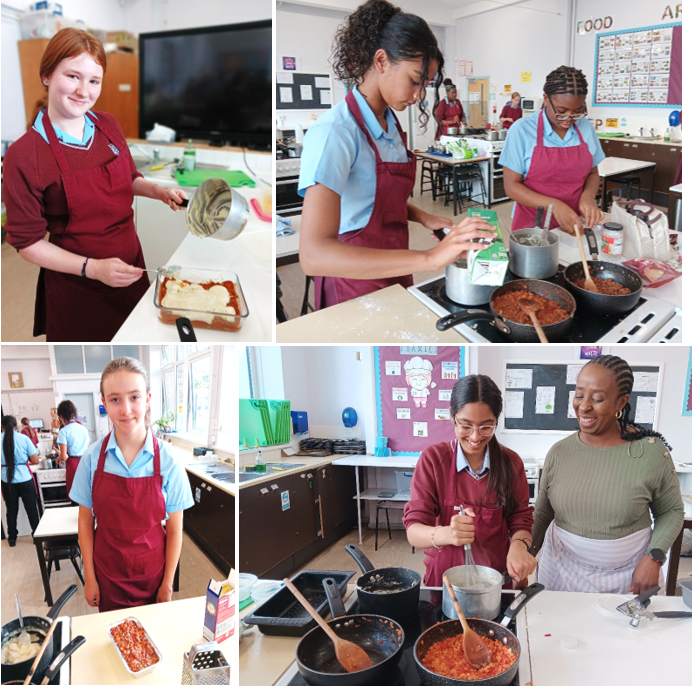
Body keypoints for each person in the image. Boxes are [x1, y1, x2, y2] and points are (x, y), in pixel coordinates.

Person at [298, 0, 494, 310]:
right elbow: (313, 256)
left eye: (425, 86)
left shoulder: (389, 123)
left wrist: (424, 217)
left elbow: (377, 199)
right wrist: (430, 258)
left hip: (396, 263)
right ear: (381, 61)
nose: (418, 96)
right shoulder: (335, 132)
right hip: (352, 278)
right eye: (415, 81)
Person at [3, 28, 187, 342]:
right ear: (47, 75)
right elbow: (28, 243)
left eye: (94, 81)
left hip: (130, 263)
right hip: (78, 285)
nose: (83, 92)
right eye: (73, 76)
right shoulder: (24, 155)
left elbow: (129, 178)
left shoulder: (108, 125)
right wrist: (94, 269)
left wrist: (158, 191)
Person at [531, 355, 684, 594]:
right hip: (561, 569)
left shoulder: (650, 452)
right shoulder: (560, 453)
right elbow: (542, 514)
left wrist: (654, 557)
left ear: (621, 402)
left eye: (598, 398)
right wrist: (525, 552)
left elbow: (671, 511)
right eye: (579, 395)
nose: (583, 406)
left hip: (630, 574)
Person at [71, 357, 193, 611]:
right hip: (107, 575)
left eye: (134, 397)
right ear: (104, 403)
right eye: (115, 399)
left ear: (147, 399)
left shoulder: (169, 462)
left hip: (152, 574)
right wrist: (90, 578)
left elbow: (174, 530)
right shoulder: (91, 460)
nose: (126, 409)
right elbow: (85, 523)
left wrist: (167, 583)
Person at [403, 375, 536, 587]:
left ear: (496, 422)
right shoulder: (434, 459)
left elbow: (520, 519)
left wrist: (519, 546)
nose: (475, 437)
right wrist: (446, 533)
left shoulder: (510, 462)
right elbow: (413, 531)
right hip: (445, 582)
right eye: (465, 426)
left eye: (486, 427)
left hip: (497, 579)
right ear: (452, 417)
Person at [499, 66, 606, 234]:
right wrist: (554, 205)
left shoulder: (585, 128)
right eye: (562, 112)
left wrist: (588, 197)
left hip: (575, 222)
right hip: (533, 225)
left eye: (577, 112)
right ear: (546, 99)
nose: (569, 119)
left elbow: (592, 173)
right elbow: (512, 186)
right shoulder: (522, 130)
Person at [1, 416, 41, 547]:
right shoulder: (23, 438)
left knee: (11, 510)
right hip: (25, 478)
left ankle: (12, 538)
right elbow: (35, 460)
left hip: (7, 480)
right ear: (16, 426)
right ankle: (36, 535)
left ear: (2, 427)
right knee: (31, 509)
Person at [55, 400, 90, 504]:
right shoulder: (83, 428)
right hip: (85, 463)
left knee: (76, 497)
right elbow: (88, 448)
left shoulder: (63, 431)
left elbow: (64, 456)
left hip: (73, 464)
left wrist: (58, 458)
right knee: (86, 495)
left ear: (61, 415)